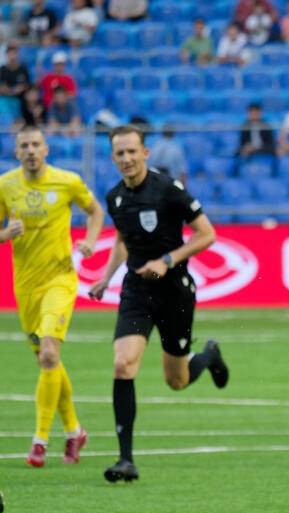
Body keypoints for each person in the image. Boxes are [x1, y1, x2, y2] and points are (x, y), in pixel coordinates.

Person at [88, 125, 230, 483]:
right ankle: (125, 460)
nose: (127, 158)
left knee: (176, 381)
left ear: (145, 153)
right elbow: (122, 240)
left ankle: (209, 355)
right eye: (120, 153)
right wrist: (106, 277)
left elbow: (207, 234)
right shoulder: (115, 197)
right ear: (113, 157)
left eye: (132, 151)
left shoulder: (168, 189)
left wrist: (167, 260)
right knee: (123, 364)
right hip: (136, 290)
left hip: (174, 291)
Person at [0, 125, 104, 467]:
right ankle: (75, 432)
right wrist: (5, 234)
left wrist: (89, 240)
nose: (30, 150)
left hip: (60, 280)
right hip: (26, 287)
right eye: (24, 145)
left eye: (36, 144)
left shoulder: (67, 181)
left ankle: (39, 441)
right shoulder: (5, 185)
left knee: (48, 353)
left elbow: (95, 211)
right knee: (49, 361)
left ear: (46, 149)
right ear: (17, 152)